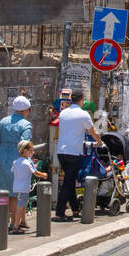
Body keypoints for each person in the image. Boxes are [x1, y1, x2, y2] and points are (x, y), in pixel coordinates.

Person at [55, 90, 103, 221]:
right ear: (81, 100)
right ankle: (59, 212)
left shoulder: (63, 113)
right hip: (74, 152)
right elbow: (92, 131)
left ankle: (75, 208)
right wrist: (99, 141)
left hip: (61, 151)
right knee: (68, 182)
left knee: (70, 181)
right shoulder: (83, 115)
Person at [0, 95, 33, 225]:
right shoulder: (26, 125)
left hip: (2, 157)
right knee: (17, 192)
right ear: (26, 110)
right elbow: (24, 145)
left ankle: (0, 221)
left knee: (2, 190)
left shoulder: (3, 121)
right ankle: (14, 223)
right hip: (17, 159)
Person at [10, 139, 47, 234]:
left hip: (16, 187)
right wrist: (43, 174)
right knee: (20, 206)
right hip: (24, 188)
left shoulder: (16, 161)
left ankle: (22, 222)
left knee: (24, 203)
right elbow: (35, 172)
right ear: (25, 151)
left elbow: (13, 171)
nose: (33, 152)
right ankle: (15, 227)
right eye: (31, 150)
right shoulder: (27, 162)